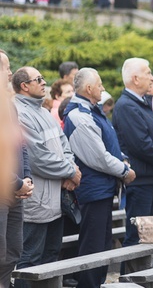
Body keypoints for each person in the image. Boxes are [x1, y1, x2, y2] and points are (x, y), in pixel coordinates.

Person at [63, 68, 135, 288]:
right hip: (92, 189)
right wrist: (124, 171)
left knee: (102, 244)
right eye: (100, 84)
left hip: (103, 188)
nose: (103, 87)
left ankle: (98, 283)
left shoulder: (92, 110)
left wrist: (123, 159)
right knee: (93, 245)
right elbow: (98, 157)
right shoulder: (78, 115)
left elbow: (108, 142)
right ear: (89, 88)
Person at [13, 67, 80, 287]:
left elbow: (64, 145)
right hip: (36, 203)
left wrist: (70, 168)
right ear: (24, 85)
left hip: (55, 201)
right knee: (30, 261)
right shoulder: (20, 113)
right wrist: (70, 171)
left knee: (51, 257)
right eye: (38, 79)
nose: (44, 83)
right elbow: (38, 158)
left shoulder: (43, 111)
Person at [112, 58, 153, 250]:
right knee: (137, 237)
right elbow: (141, 144)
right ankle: (130, 279)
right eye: (148, 73)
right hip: (140, 181)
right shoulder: (126, 106)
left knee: (152, 237)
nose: (152, 77)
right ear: (135, 78)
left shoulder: (148, 103)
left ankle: (148, 279)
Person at [0, 50, 33, 288]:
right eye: (5, 67)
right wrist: (16, 182)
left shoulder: (8, 105)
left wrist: (26, 178)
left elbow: (20, 145)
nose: (11, 72)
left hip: (16, 193)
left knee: (13, 251)